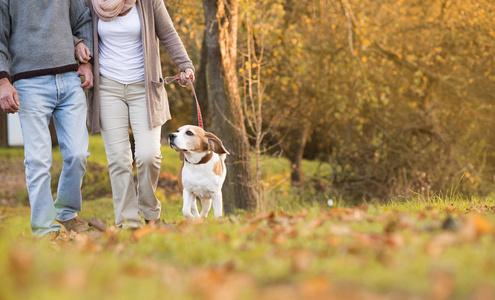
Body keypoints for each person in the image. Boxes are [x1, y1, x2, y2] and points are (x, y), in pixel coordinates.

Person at [75, 0, 195, 228]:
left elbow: (168, 33)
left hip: (145, 88)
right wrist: (77, 43)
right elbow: (75, 28)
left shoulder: (148, 2)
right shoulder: (90, 3)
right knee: (119, 160)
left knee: (149, 155)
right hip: (108, 88)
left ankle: (150, 212)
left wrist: (185, 65)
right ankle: (128, 223)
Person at [0, 0, 94, 237]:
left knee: (77, 153)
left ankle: (66, 212)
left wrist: (87, 62)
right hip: (29, 83)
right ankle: (44, 229)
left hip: (69, 79)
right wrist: (3, 81)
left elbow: (83, 19)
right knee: (38, 160)